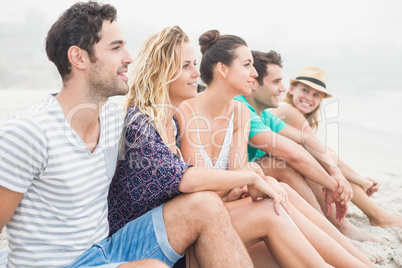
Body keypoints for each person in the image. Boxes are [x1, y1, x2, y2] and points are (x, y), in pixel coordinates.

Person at [0, 3, 253, 267]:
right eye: (115, 47)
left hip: (109, 248)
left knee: (206, 204)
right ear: (79, 58)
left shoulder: (113, 120)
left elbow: (160, 133)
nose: (129, 58)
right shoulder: (27, 134)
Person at [176, 29, 375, 267]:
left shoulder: (239, 112)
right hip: (201, 223)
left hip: (227, 208)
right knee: (274, 199)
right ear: (223, 69)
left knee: (282, 191)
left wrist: (248, 180)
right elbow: (199, 193)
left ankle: (362, 262)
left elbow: (239, 176)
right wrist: (247, 180)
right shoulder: (185, 112)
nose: (254, 73)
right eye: (247, 65)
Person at [233, 50, 385, 244]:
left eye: (316, 95)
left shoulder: (264, 113)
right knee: (287, 161)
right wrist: (334, 185)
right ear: (254, 83)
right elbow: (295, 154)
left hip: (255, 180)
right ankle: (333, 231)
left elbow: (305, 139)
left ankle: (333, 230)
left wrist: (336, 173)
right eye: (276, 82)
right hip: (238, 187)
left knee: (313, 156)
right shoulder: (251, 109)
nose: (282, 88)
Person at [270, 65, 402, 229]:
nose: (309, 97)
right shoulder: (289, 111)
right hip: (273, 170)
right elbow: (322, 153)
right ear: (291, 89)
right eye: (305, 90)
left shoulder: (292, 114)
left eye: (316, 95)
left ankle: (378, 215)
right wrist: (361, 181)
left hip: (280, 169)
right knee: (328, 162)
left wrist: (360, 180)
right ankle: (378, 217)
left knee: (328, 160)